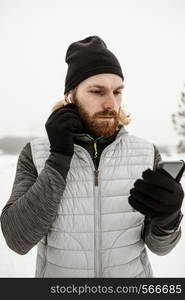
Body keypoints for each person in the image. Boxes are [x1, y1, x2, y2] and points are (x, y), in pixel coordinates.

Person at [0, 36, 184, 278]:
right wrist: (59, 157)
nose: (111, 103)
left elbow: (160, 248)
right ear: (70, 96)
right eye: (97, 91)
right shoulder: (35, 154)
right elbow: (17, 239)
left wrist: (168, 220)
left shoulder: (147, 153)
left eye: (117, 92)